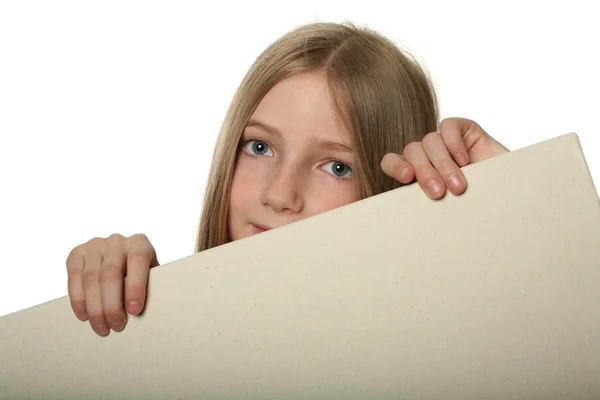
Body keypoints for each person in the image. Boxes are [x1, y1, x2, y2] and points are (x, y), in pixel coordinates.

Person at [65, 21, 509, 337]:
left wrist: (517, 214)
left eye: (337, 167)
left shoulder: (445, 347)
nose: (280, 195)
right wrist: (143, 316)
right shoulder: (167, 331)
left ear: (396, 187)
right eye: (259, 147)